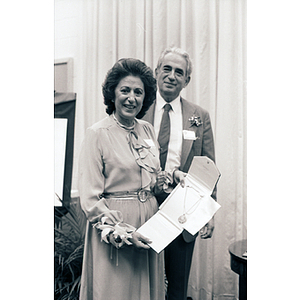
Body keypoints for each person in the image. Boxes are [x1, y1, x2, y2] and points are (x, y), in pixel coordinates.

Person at [78, 58, 167, 300]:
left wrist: (163, 182)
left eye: (139, 92)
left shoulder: (147, 129)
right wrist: (124, 233)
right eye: (125, 90)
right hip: (117, 229)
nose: (132, 98)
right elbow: (90, 199)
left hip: (150, 224)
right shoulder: (97, 134)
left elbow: (152, 177)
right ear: (113, 94)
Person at [142, 47, 217, 300]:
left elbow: (208, 167)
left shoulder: (199, 116)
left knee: (177, 285)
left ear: (187, 80)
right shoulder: (138, 109)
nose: (172, 76)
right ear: (156, 72)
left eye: (179, 72)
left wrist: (207, 212)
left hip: (182, 208)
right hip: (144, 204)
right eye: (167, 69)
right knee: (142, 282)